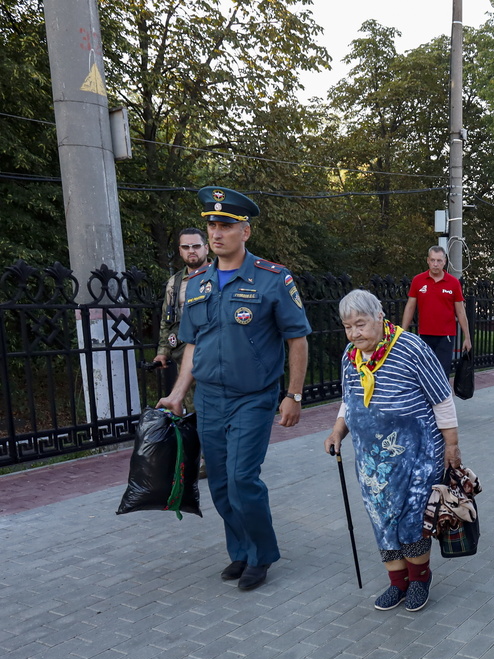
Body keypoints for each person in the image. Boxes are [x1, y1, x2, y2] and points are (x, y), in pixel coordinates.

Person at [157, 186, 311, 591]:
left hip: (254, 397)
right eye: (212, 224)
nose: (216, 232)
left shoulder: (272, 279)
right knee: (222, 484)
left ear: (245, 231)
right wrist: (177, 394)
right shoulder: (197, 285)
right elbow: (193, 345)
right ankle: (239, 551)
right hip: (208, 398)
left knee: (243, 478)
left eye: (225, 224)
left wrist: (292, 395)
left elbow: (297, 339)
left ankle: (261, 556)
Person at [324, 289, 461, 612]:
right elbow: (350, 399)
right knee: (382, 518)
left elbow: (442, 399)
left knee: (412, 518)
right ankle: (397, 583)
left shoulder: (411, 348)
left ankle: (419, 579)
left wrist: (452, 445)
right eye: (348, 326)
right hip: (372, 460)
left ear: (379, 318)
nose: (354, 333)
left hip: (418, 455)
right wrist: (336, 431)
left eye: (360, 324)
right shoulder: (351, 355)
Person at [153, 228, 209, 416]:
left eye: (196, 246)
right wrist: (163, 351)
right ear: (180, 251)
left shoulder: (220, 276)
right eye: (186, 247)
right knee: (193, 411)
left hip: (215, 354)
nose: (191, 250)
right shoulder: (175, 283)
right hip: (185, 356)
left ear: (206, 248)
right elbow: (167, 319)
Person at [400, 245, 472, 376]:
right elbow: (410, 307)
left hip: (446, 336)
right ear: (428, 260)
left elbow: (461, 311)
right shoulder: (418, 280)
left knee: (442, 373)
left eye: (439, 261)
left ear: (444, 261)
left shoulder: (453, 283)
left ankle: (443, 397)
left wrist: (467, 337)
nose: (435, 264)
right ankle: (428, 397)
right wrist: (402, 332)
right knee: (425, 373)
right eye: (433, 260)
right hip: (425, 334)